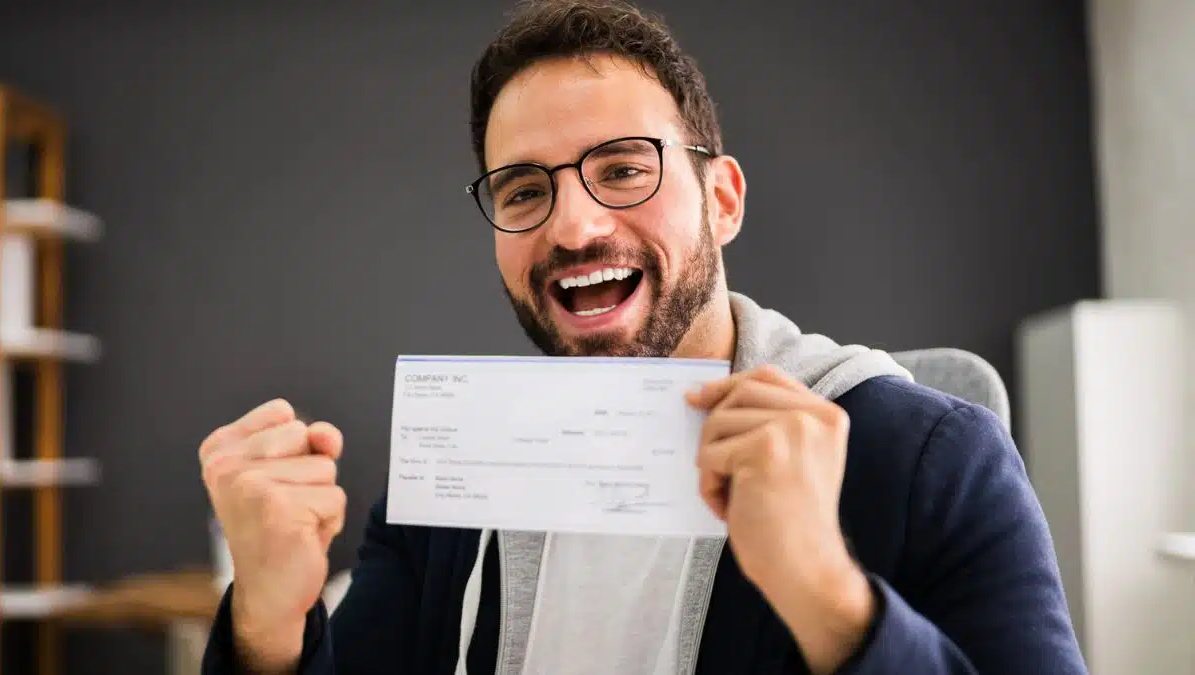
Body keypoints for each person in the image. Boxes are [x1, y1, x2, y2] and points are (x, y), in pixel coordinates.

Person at [199, 1, 1089, 673]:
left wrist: (829, 596)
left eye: (623, 168)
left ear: (724, 199)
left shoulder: (937, 456)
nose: (575, 227)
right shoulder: (456, 480)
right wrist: (270, 624)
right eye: (522, 190)